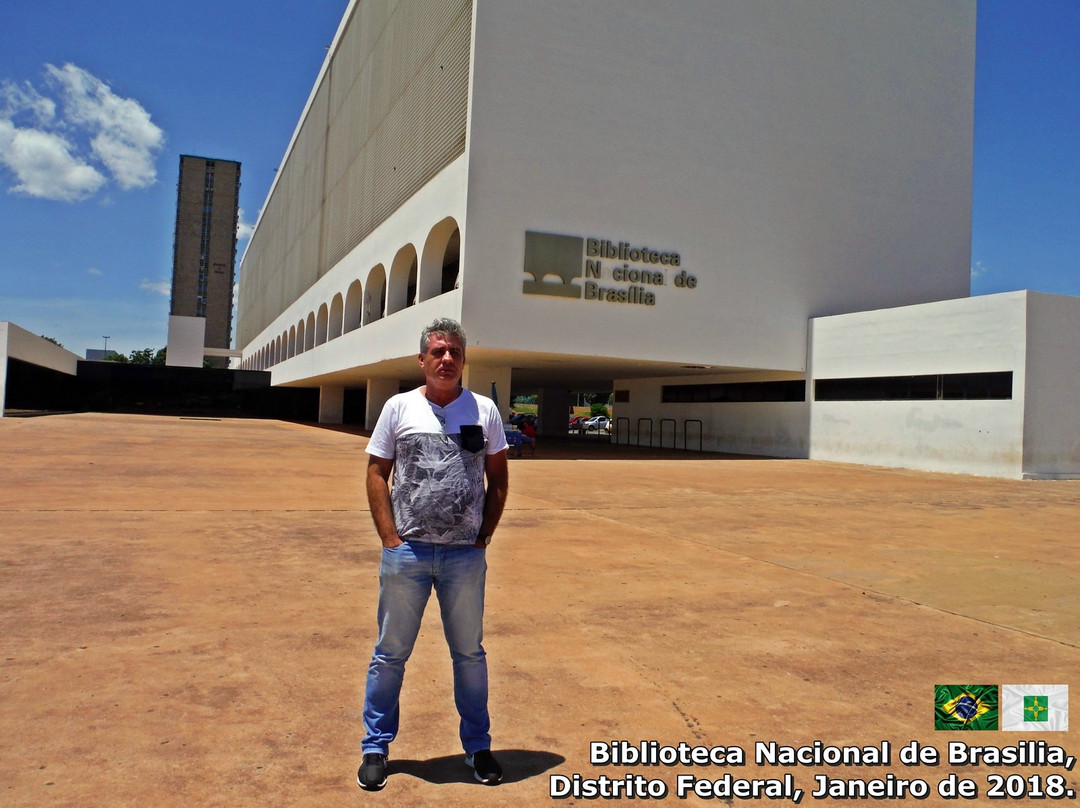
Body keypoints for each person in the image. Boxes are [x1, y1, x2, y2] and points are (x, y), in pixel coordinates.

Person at [358, 318, 510, 791]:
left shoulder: (482, 409)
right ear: (422, 360)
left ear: (464, 362)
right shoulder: (398, 407)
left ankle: (478, 747)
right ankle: (376, 748)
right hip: (408, 554)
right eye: (438, 352)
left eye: (455, 353)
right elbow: (376, 472)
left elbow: (499, 477)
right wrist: (389, 537)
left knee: (469, 654)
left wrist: (483, 535)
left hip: (464, 556)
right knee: (390, 654)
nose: (447, 360)